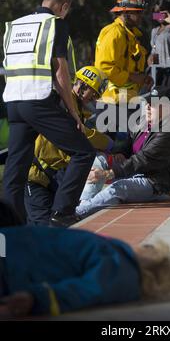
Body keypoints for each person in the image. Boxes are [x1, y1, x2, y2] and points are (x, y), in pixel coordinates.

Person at [1, 0, 96, 225]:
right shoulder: (55, 24)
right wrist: (73, 111)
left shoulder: (14, 25)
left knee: (15, 168)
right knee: (83, 151)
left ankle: (10, 225)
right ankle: (62, 212)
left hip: (13, 103)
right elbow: (61, 71)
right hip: (39, 101)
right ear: (63, 7)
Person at [0, 225, 170, 317]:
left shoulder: (123, 270)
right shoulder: (116, 255)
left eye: (149, 248)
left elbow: (86, 290)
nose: (142, 245)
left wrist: (39, 298)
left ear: (150, 264)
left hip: (13, 261)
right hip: (14, 249)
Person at [24, 66, 114, 227]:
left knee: (53, 227)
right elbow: (81, 133)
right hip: (36, 176)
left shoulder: (76, 108)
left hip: (51, 176)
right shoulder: (64, 103)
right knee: (42, 226)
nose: (93, 98)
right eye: (92, 93)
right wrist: (107, 142)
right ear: (82, 85)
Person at [76, 86, 170, 218]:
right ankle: (84, 204)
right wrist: (121, 152)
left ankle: (78, 213)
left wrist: (107, 174)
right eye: (148, 102)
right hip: (135, 172)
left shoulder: (169, 132)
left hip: (155, 182)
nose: (148, 107)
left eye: (155, 104)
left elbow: (143, 160)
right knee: (99, 160)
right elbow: (129, 142)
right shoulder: (144, 122)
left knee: (118, 188)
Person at [95, 0, 153, 105]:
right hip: (112, 101)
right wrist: (133, 77)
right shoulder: (115, 33)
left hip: (125, 99)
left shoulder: (129, 35)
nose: (141, 16)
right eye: (137, 12)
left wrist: (142, 79)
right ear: (126, 12)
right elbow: (104, 67)